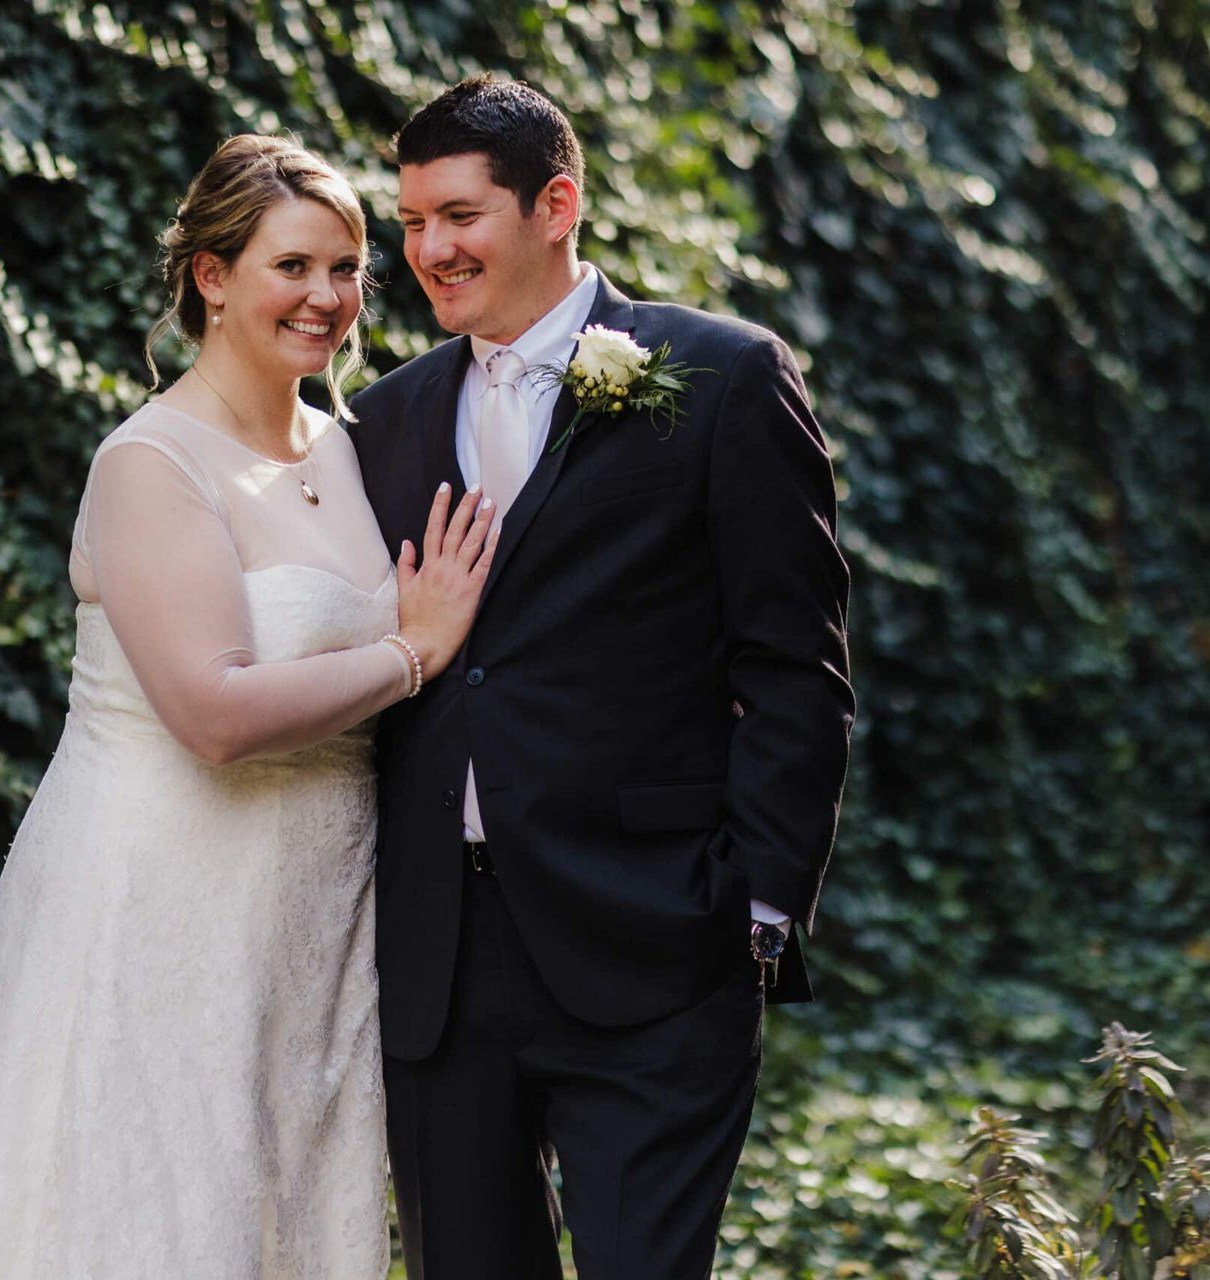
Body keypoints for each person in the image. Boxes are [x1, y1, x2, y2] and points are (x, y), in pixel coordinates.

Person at [0, 134, 495, 1279]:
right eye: (292, 266)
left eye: (349, 267)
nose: (328, 298)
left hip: (315, 922)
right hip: (161, 902)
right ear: (212, 277)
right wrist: (412, 652)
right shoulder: (150, 462)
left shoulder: (355, 450)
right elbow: (213, 712)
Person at [349, 76, 854, 1278]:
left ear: (556, 203)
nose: (429, 249)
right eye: (413, 221)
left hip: (656, 939)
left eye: (460, 215)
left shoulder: (725, 376)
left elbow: (794, 665)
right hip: (440, 969)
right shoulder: (382, 419)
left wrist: (757, 910)